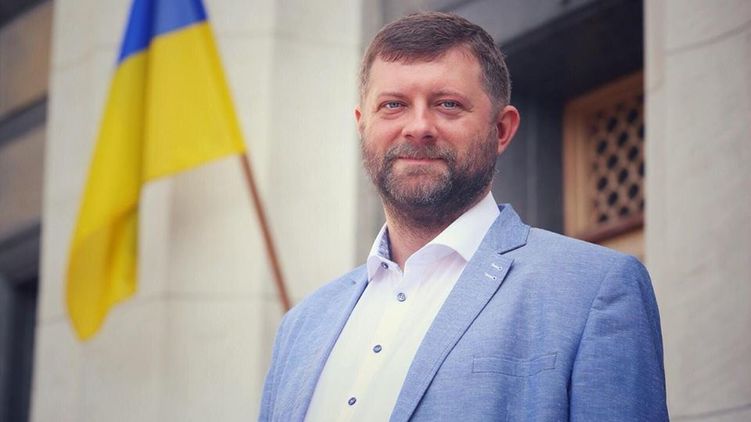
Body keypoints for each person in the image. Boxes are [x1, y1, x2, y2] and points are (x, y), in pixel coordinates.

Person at [259, 11, 667, 422]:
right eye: (393, 105)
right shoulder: (300, 328)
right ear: (362, 127)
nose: (418, 127)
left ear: (501, 130)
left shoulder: (594, 289)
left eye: (448, 104)